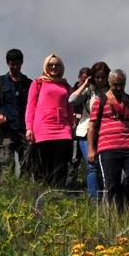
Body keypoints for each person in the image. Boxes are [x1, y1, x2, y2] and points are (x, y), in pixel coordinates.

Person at [86, 68, 129, 210]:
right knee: (111, 183)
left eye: (121, 84)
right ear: (109, 83)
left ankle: (123, 195)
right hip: (107, 148)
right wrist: (91, 149)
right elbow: (93, 126)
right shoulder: (100, 101)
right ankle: (116, 214)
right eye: (115, 85)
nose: (119, 87)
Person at [26, 53, 74, 187]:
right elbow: (31, 106)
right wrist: (29, 127)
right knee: (44, 167)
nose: (54, 67)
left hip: (63, 129)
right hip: (42, 129)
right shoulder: (37, 83)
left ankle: (58, 196)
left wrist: (71, 126)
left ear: (61, 67)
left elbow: (69, 108)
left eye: (57, 65)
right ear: (46, 66)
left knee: (61, 167)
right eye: (50, 64)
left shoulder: (66, 86)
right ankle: (44, 196)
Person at [0, 48, 31, 175]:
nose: (15, 66)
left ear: (22, 62)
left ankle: (25, 192)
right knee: (5, 165)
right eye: (12, 64)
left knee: (27, 165)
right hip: (6, 130)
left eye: (17, 63)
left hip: (24, 129)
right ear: (7, 63)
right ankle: (6, 192)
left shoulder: (29, 83)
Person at [70, 61, 109, 199]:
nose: (100, 80)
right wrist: (85, 84)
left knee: (103, 166)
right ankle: (94, 198)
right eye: (97, 76)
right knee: (92, 165)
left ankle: (105, 196)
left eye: (103, 77)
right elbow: (71, 100)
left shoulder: (110, 92)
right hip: (85, 132)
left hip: (104, 132)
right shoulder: (89, 90)